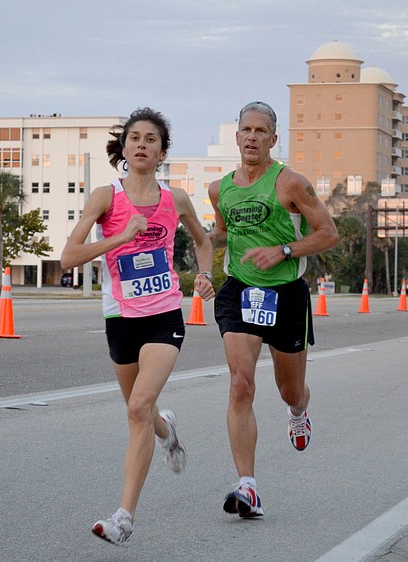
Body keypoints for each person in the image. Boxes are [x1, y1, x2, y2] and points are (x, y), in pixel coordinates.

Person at [61, 107, 216, 545]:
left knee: (136, 409)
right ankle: (167, 434)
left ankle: (124, 517)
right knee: (142, 412)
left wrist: (204, 275)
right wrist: (120, 237)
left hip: (165, 314)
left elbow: (203, 241)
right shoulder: (105, 197)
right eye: (135, 138)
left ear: (162, 150)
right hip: (120, 318)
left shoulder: (175, 199)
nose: (142, 144)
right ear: (124, 147)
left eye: (151, 138)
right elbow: (69, 257)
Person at [208, 101, 338, 518]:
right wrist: (206, 269)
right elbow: (223, 235)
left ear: (273, 139)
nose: (251, 137)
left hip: (286, 294)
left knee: (290, 389)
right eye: (246, 130)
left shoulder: (292, 184)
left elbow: (329, 234)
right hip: (240, 292)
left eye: (260, 131)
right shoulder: (220, 189)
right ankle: (248, 486)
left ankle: (299, 412)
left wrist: (283, 250)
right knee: (241, 383)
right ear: (237, 136)